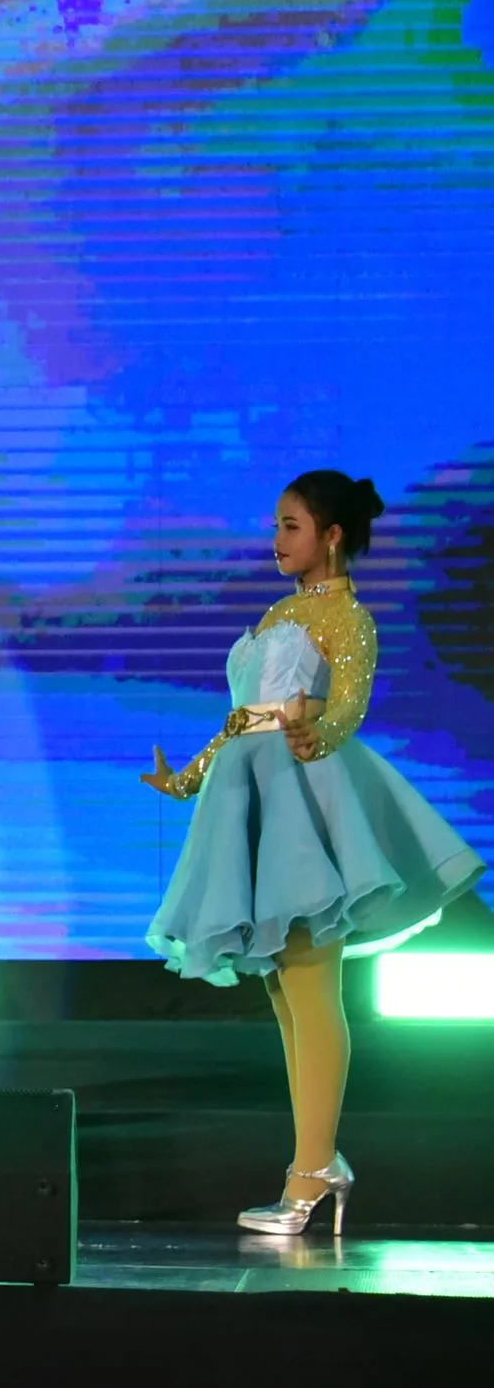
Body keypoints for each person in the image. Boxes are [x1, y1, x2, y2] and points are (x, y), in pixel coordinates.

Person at [143, 470, 485, 1236]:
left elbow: (349, 707)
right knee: (283, 990)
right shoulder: (278, 612)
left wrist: (314, 733)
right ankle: (316, 1161)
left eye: (291, 525)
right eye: (276, 524)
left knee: (309, 981)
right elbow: (242, 718)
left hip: (305, 798)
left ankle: (312, 1171)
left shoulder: (348, 616)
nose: (277, 539)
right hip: (251, 791)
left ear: (331, 535)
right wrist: (188, 778)